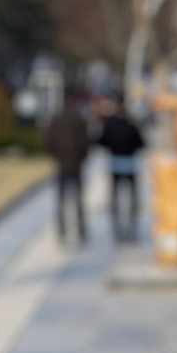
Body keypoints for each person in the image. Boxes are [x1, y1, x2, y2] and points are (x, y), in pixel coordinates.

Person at [98, 96, 145, 243]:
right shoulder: (132, 124)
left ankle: (117, 227)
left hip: (115, 164)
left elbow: (101, 141)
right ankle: (132, 226)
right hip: (130, 164)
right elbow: (141, 143)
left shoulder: (109, 124)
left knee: (115, 198)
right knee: (132, 198)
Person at [46, 91, 90, 244]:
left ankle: (62, 230)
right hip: (76, 163)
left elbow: (49, 141)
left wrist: (57, 157)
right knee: (78, 198)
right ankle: (81, 229)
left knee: (61, 199)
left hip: (62, 163)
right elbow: (86, 142)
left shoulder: (57, 119)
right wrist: (82, 157)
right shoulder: (79, 119)